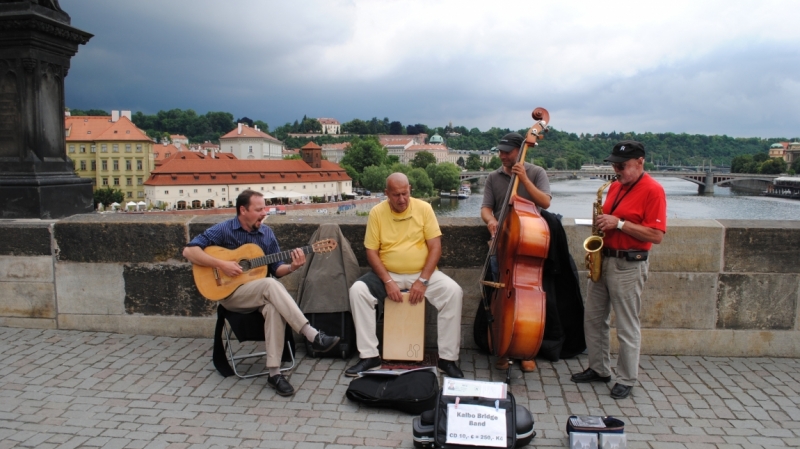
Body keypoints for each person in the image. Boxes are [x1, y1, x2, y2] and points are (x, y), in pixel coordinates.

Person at [183, 190, 340, 397]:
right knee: (268, 284)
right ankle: (311, 334)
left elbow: (277, 270)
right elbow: (189, 251)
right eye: (258, 209)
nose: (263, 213)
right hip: (230, 295)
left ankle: (274, 374)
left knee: (273, 304)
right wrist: (222, 264)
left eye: (264, 208)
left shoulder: (266, 234)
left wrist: (293, 266)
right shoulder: (224, 229)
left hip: (258, 293)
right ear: (243, 210)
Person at [570, 140, 666, 400]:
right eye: (614, 165)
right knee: (593, 318)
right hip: (604, 258)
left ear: (640, 162)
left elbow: (656, 235)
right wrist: (602, 223)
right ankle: (599, 368)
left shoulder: (653, 190)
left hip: (629, 264)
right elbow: (610, 220)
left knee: (626, 325)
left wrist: (620, 224)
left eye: (622, 166)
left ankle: (626, 378)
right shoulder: (613, 187)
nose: (617, 170)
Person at [346, 173, 464, 379]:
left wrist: (423, 280)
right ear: (386, 194)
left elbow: (435, 247)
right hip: (388, 273)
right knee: (358, 291)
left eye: (405, 193)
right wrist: (388, 281)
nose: (402, 199)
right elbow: (371, 252)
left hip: (422, 273)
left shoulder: (424, 209)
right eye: (396, 195)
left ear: (410, 189)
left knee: (454, 292)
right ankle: (369, 356)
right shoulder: (376, 213)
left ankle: (447, 359)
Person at [480, 132, 552, 372]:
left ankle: (525, 349)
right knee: (501, 297)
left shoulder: (537, 172)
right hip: (501, 243)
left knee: (528, 301)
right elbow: (486, 209)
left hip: (526, 243)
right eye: (499, 151)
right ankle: (502, 347)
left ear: (519, 152)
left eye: (506, 152)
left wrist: (524, 180)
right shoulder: (494, 176)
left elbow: (545, 202)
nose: (501, 155)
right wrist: (491, 221)